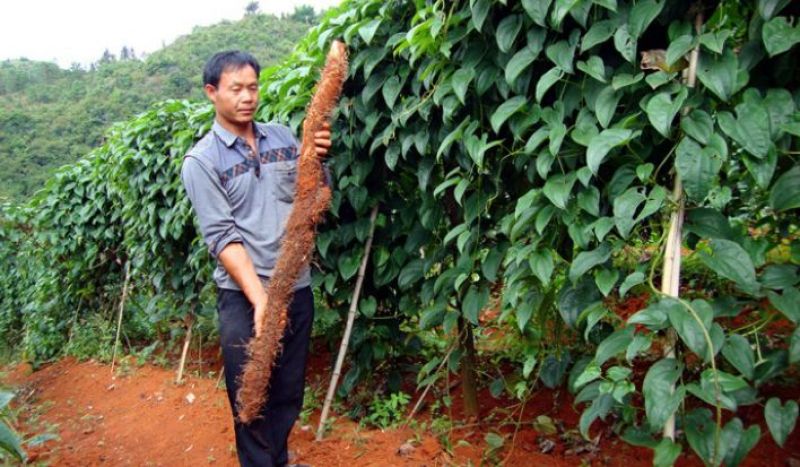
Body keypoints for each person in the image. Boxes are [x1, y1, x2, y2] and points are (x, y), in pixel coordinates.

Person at [180, 50, 331, 467]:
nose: (247, 97)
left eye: (253, 87)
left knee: (287, 388)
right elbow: (222, 236)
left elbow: (314, 195)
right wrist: (261, 298)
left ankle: (277, 460)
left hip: (296, 287)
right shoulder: (202, 161)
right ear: (212, 93)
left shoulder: (283, 137)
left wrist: (319, 158)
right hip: (243, 296)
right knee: (250, 393)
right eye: (236, 89)